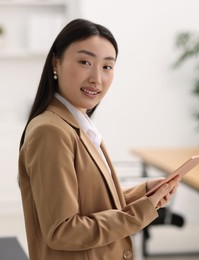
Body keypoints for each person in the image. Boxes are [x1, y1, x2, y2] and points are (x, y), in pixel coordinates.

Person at [18, 18, 180, 260]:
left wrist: (143, 194)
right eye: (85, 62)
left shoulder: (79, 125)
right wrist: (139, 213)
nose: (97, 78)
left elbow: (89, 203)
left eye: (107, 66)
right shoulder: (51, 132)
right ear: (56, 63)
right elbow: (63, 231)